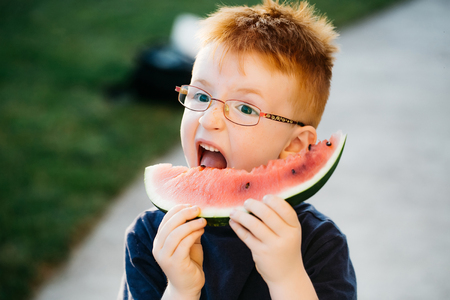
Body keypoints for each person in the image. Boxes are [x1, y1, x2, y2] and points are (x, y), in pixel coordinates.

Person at [118, 0, 356, 299]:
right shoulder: (151, 238)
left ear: (294, 145)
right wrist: (179, 289)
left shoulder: (319, 244)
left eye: (245, 108)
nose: (209, 118)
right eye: (201, 95)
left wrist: (287, 278)